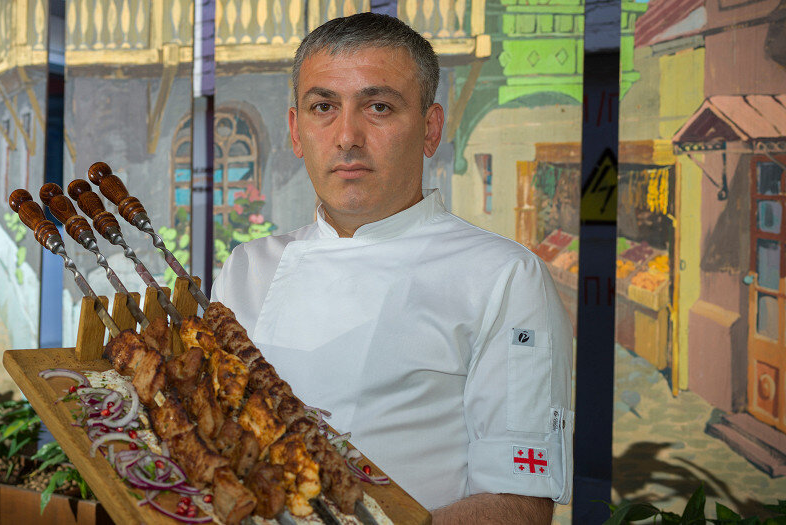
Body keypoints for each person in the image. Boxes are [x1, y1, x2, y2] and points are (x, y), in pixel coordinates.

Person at [211, 12, 573, 524]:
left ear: (430, 129)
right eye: (323, 107)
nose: (347, 136)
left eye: (378, 107)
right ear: (295, 130)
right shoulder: (245, 269)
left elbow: (518, 504)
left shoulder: (505, 277)